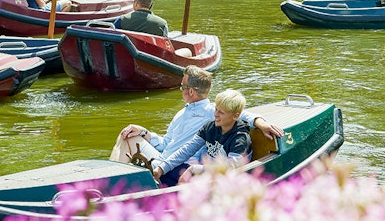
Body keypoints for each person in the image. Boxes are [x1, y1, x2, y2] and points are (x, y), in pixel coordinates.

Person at [110, 66, 283, 186]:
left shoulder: (211, 113)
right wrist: (145, 132)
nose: (217, 114)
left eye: (181, 86)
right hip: (166, 161)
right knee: (128, 134)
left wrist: (260, 123)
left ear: (190, 91)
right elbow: (168, 144)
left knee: (128, 139)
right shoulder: (185, 114)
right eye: (217, 110)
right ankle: (110, 177)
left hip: (179, 167)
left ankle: (111, 182)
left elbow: (241, 113)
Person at [151, 89, 251, 184]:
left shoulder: (240, 139)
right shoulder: (210, 126)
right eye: (216, 109)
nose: (215, 114)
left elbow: (230, 167)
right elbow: (187, 149)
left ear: (235, 116)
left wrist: (195, 169)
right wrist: (161, 168)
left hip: (222, 182)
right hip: (204, 173)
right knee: (156, 170)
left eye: (221, 112)